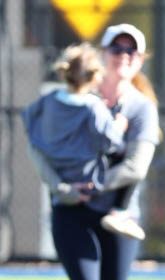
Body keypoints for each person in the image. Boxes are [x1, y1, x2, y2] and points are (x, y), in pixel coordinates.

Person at [24, 24, 160, 280]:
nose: (123, 55)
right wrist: (62, 187)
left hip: (117, 217)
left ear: (140, 59)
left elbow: (136, 165)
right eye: (116, 47)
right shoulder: (71, 99)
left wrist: (96, 184)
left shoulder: (140, 108)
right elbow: (38, 144)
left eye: (131, 50)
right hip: (73, 213)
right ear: (101, 55)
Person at [22, 43, 144, 241]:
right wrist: (118, 126)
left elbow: (29, 123)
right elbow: (109, 142)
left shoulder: (49, 100)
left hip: (60, 173)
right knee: (125, 155)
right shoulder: (93, 106)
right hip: (88, 177)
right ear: (95, 76)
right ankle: (120, 211)